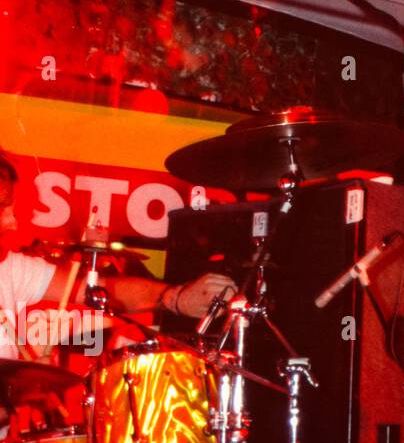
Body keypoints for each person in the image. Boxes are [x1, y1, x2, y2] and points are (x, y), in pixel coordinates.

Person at [0, 151, 234, 363]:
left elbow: (100, 291)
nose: (13, 222)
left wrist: (176, 298)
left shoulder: (11, 269)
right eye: (2, 207)